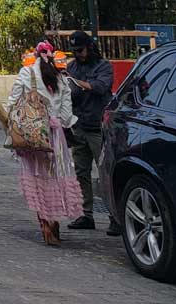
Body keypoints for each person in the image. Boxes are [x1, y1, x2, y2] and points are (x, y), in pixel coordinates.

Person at [8, 41, 84, 246]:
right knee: (56, 177)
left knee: (38, 176)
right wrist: (59, 122)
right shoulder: (62, 79)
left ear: (35, 54)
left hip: (33, 133)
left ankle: (45, 223)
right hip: (56, 135)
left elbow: (13, 102)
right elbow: (67, 115)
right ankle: (54, 221)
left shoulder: (26, 74)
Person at [65, 30, 116, 233]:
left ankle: (115, 217)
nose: (78, 54)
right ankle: (86, 215)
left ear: (90, 47)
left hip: (98, 127)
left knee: (105, 172)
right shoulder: (72, 67)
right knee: (81, 173)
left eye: (81, 50)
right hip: (79, 125)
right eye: (75, 51)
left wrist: (76, 83)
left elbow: (101, 87)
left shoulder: (104, 66)